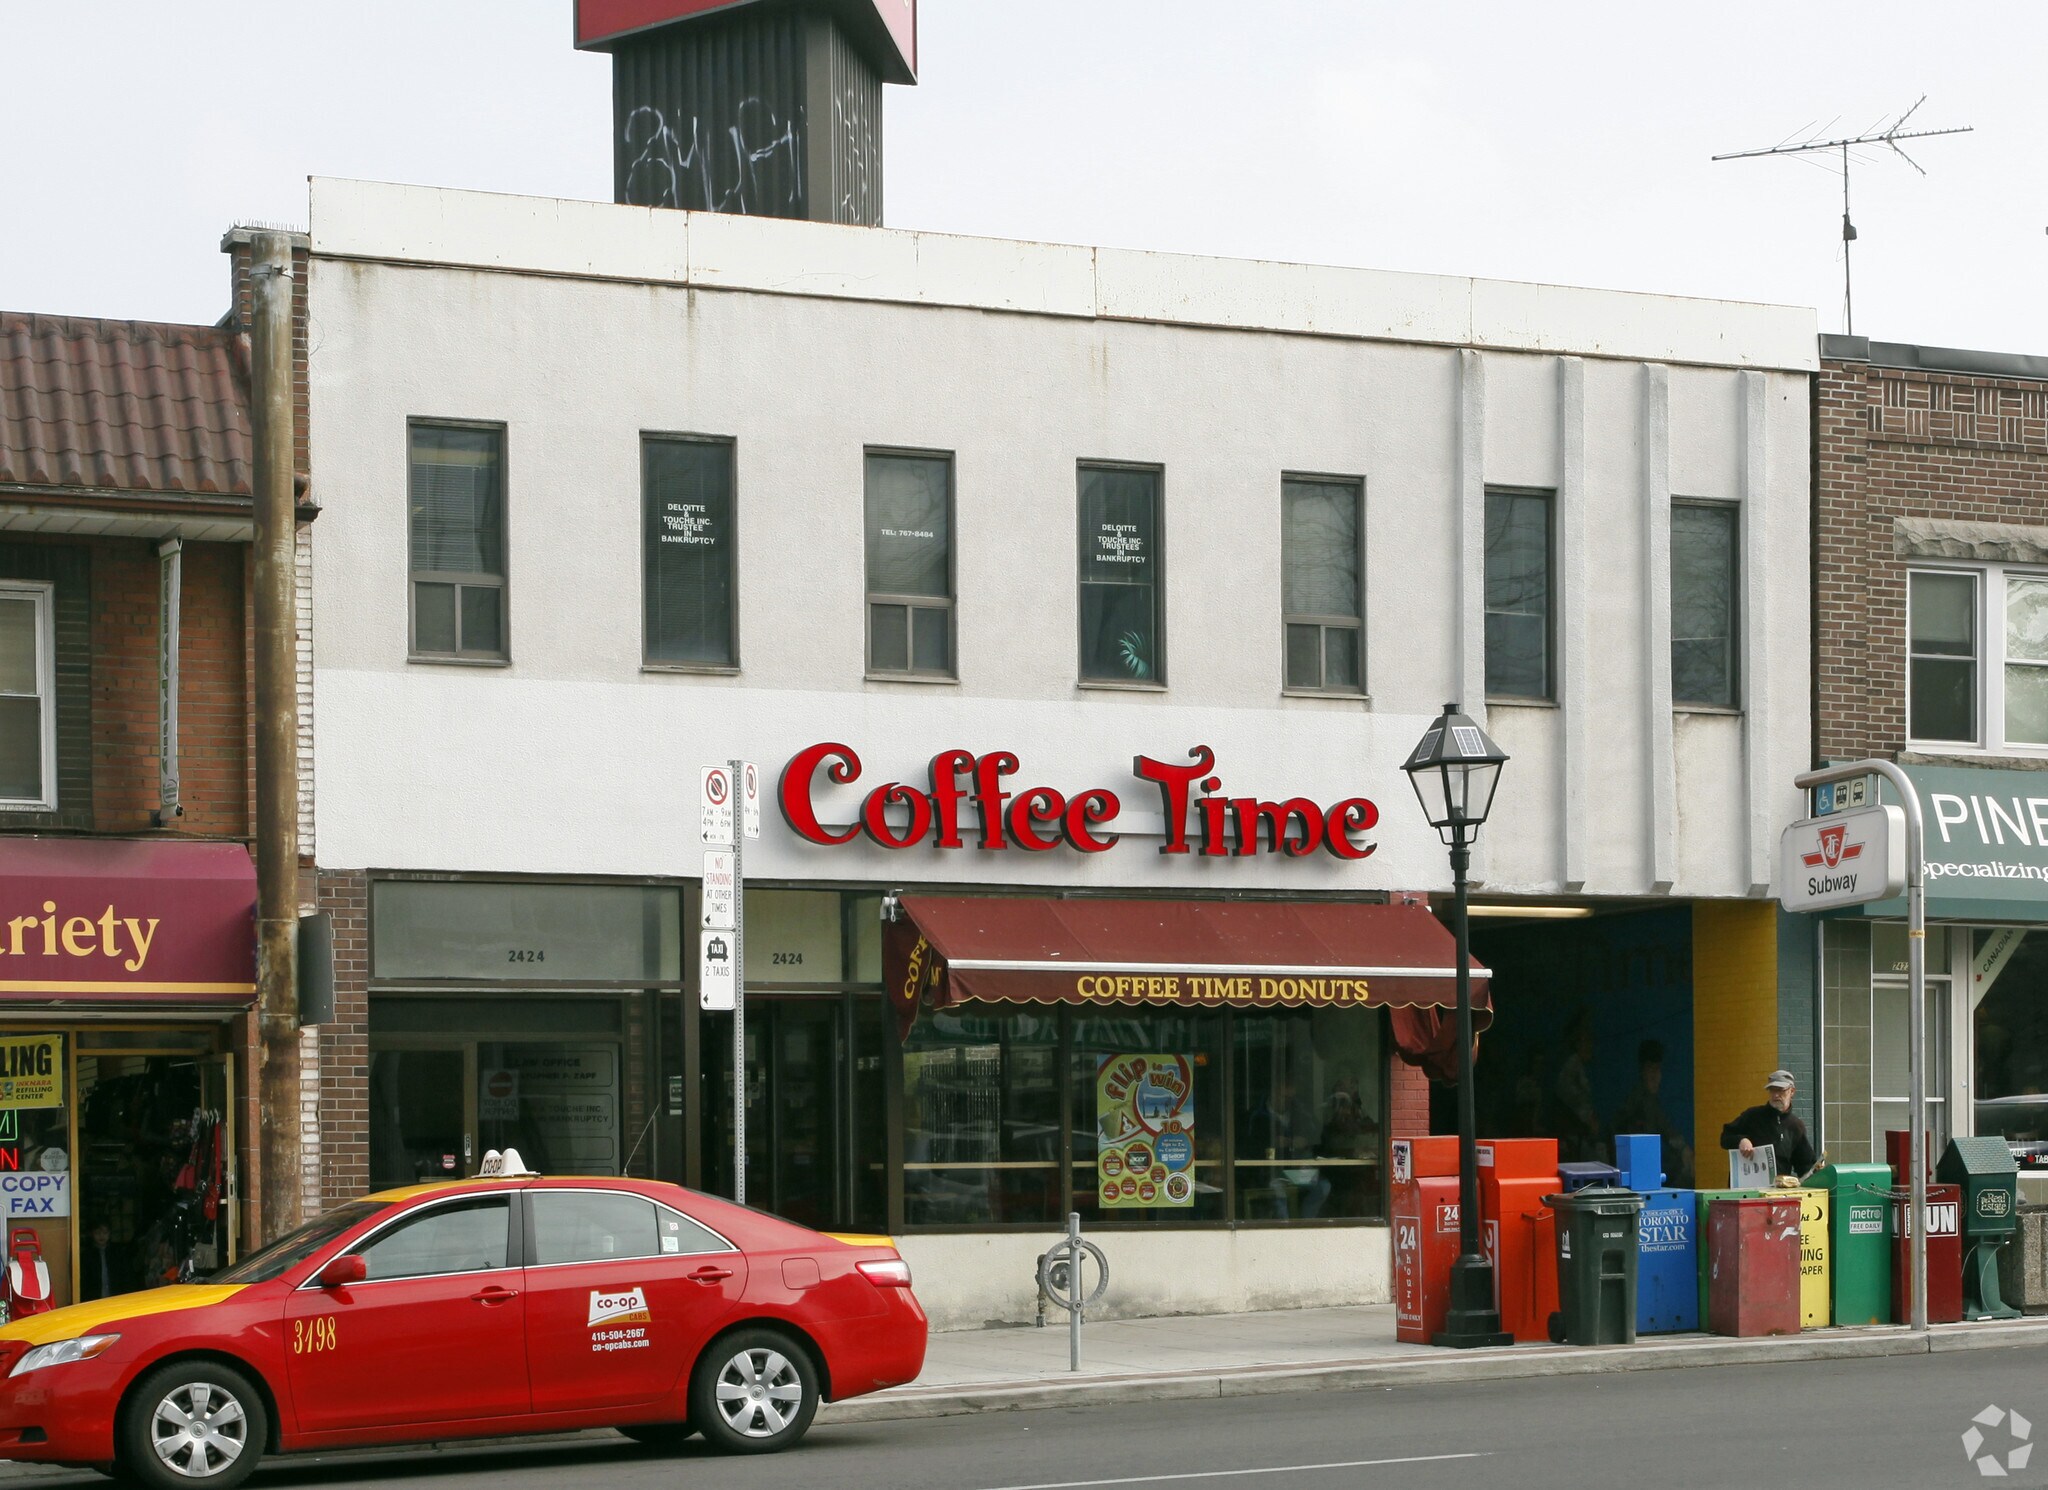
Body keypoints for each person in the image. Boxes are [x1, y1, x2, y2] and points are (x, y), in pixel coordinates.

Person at [1612, 1039, 1694, 1188]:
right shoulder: (1637, 1099)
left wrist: (1684, 1149)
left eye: (1658, 1069)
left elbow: (1666, 1128)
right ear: (1642, 1071)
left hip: (1646, 1163)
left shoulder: (1650, 1100)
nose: (1656, 1076)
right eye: (1651, 1069)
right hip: (1637, 1167)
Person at [1719, 1069, 1815, 1180]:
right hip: (1747, 1189)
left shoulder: (1796, 1126)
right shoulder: (1752, 1116)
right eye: (1772, 1090)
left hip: (1777, 1192)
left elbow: (1805, 1165)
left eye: (1780, 1090)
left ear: (1792, 1091)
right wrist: (1741, 1140)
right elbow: (1725, 1137)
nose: (1776, 1095)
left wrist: (1816, 1172)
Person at [80, 1221, 124, 1302]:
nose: (101, 1236)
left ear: (109, 1233)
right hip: (93, 1299)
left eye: (105, 1232)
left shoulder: (117, 1252)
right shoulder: (86, 1255)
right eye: (97, 1233)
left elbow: (123, 1275)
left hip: (116, 1298)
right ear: (92, 1234)